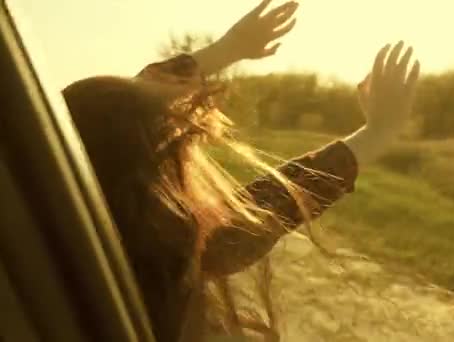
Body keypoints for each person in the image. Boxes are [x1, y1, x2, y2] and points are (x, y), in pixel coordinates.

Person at [61, 0, 420, 341]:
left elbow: (106, 120)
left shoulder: (58, 187)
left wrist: (225, 49)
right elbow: (254, 215)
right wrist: (377, 134)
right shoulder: (157, 255)